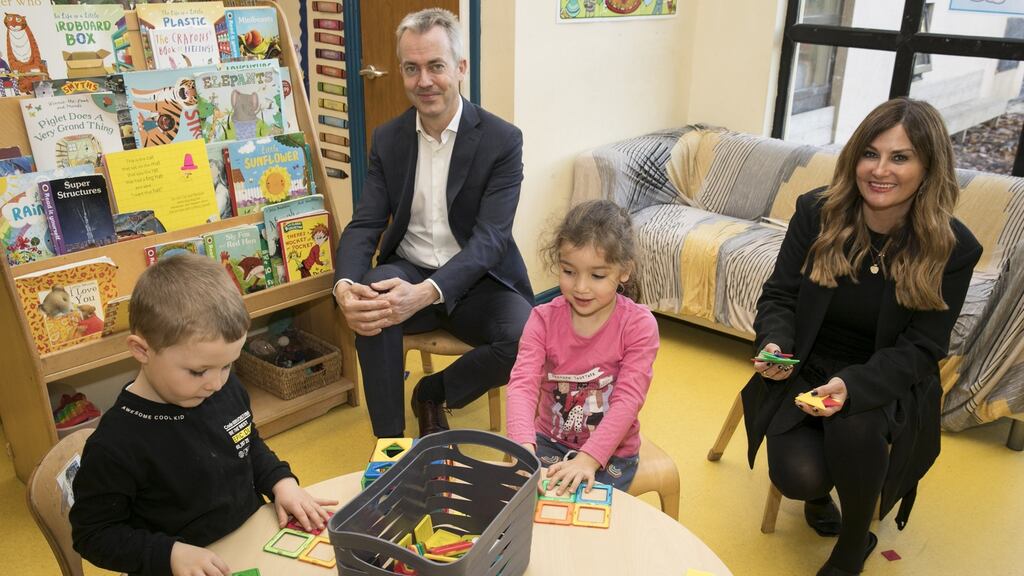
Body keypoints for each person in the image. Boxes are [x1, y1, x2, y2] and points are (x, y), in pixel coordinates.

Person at [740, 98, 982, 576]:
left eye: (900, 157)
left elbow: (923, 347)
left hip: (885, 375)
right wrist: (774, 343)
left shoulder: (953, 248)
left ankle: (853, 544)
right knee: (799, 477)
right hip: (808, 363)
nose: (880, 170)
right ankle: (820, 494)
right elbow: (781, 296)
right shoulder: (816, 212)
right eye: (870, 153)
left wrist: (851, 387)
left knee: (854, 424)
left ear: (928, 167)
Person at [333, 8, 533, 439]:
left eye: (436, 66)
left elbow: (490, 240)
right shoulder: (388, 138)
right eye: (411, 68)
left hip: (478, 280)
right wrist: (344, 286)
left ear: (460, 68)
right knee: (371, 301)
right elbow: (365, 224)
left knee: (525, 337)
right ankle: (390, 445)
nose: (424, 81)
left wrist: (427, 293)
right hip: (408, 268)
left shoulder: (502, 140)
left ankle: (432, 392)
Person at [71, 253, 335, 576]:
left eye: (227, 365)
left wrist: (280, 481)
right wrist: (169, 554)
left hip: (249, 540)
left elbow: (246, 443)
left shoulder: (223, 387)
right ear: (142, 350)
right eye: (198, 371)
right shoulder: (115, 445)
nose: (216, 383)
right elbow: (93, 534)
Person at [506, 200, 659, 495]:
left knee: (584, 511)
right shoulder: (541, 319)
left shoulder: (639, 325)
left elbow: (628, 400)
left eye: (597, 276)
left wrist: (589, 459)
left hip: (612, 452)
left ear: (624, 271)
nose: (581, 287)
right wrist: (522, 447)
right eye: (569, 271)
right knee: (533, 505)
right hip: (549, 441)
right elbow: (522, 386)